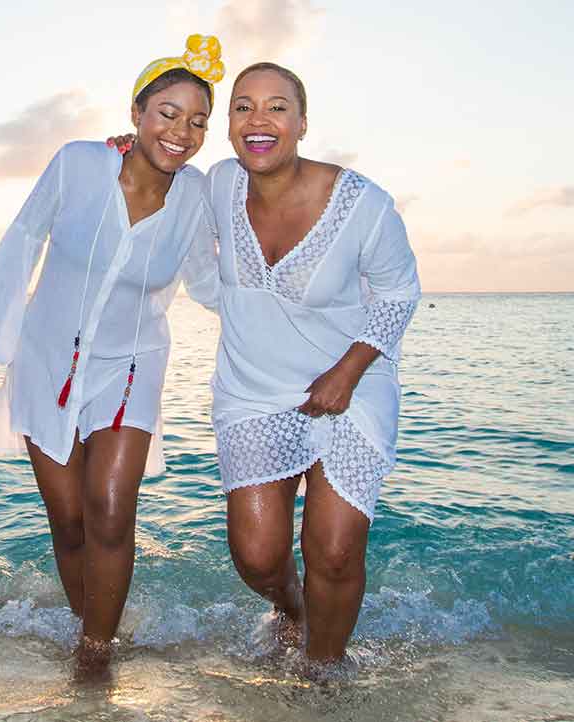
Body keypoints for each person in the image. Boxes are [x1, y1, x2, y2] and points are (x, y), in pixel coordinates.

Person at [0, 36, 223, 670]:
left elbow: (210, 281)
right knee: (69, 519)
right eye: (168, 112)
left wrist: (290, 314)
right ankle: (88, 624)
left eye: (198, 121)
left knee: (108, 508)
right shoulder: (76, 163)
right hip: (47, 362)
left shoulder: (197, 196)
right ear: (136, 113)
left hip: (133, 364)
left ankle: (96, 654)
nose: (182, 131)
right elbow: (21, 244)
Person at [209, 63, 421, 665]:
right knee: (255, 555)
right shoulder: (218, 185)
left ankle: (324, 669)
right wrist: (120, 151)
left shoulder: (363, 204)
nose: (259, 120)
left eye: (277, 107)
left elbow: (400, 293)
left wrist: (348, 370)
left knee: (332, 549)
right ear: (229, 124)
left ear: (302, 123)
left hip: (349, 385)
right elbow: (155, 182)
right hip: (253, 390)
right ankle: (293, 609)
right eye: (243, 106)